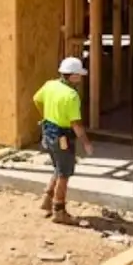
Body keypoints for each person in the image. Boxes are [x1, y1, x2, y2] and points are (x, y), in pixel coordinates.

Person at [32, 57, 94, 224]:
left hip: (48, 133)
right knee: (64, 174)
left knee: (58, 167)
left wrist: (46, 115)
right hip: (62, 137)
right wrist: (86, 142)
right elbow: (76, 123)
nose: (80, 79)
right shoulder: (72, 95)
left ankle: (46, 200)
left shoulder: (50, 85)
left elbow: (36, 99)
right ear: (72, 76)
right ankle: (59, 210)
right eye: (79, 75)